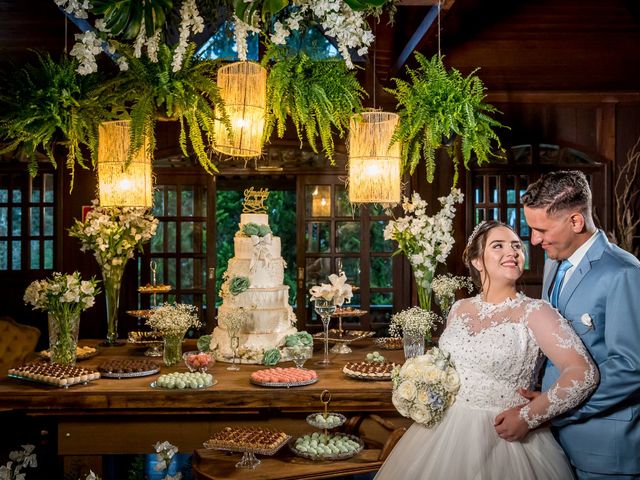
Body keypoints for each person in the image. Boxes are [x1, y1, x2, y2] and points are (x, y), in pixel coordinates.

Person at [375, 220, 598, 480]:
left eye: (517, 246)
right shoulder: (459, 309)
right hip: (445, 434)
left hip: (506, 437)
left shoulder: (536, 312)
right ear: (477, 260)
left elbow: (583, 372)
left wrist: (528, 417)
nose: (512, 252)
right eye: (498, 245)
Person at [508, 170, 640, 479]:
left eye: (540, 229)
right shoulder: (554, 263)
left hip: (605, 451)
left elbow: (632, 367)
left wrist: (551, 410)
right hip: (553, 445)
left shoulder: (624, 273)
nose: (534, 240)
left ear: (576, 222)